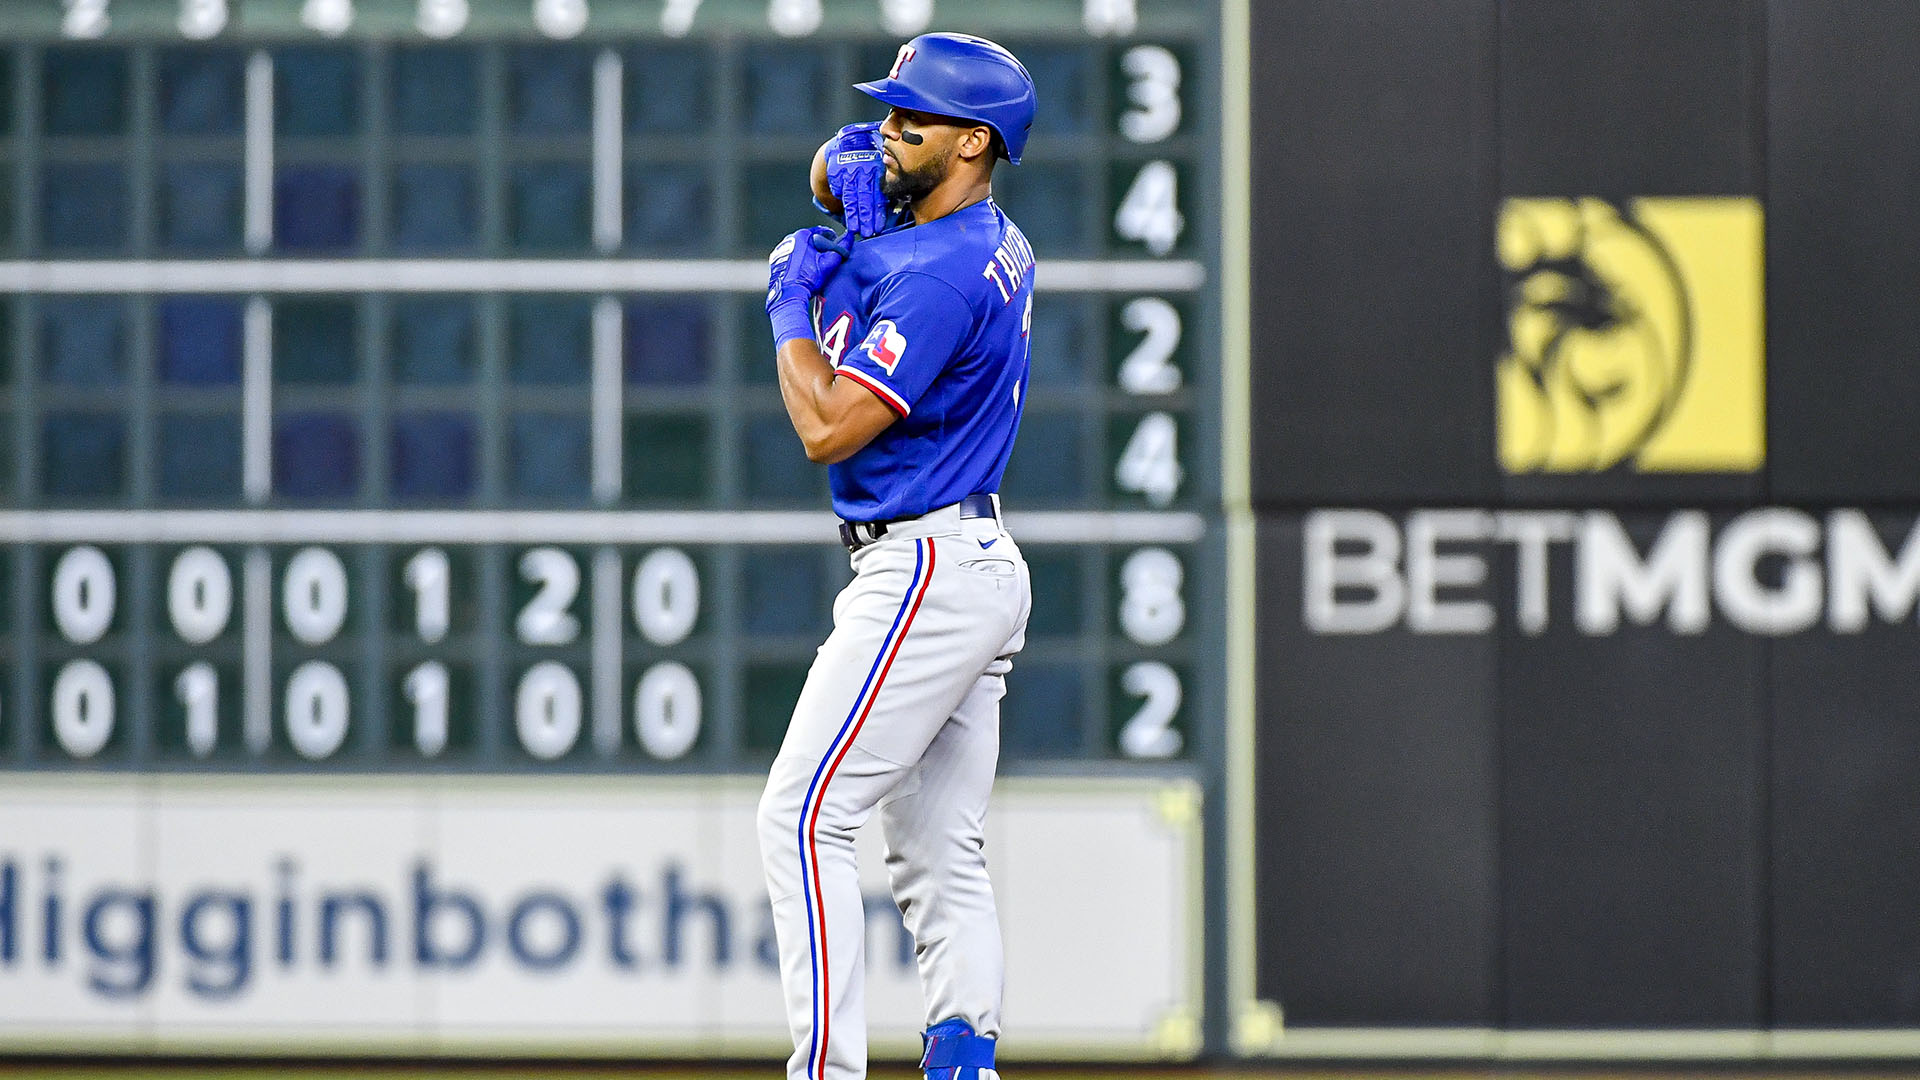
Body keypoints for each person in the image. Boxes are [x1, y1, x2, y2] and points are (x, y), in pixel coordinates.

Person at [754, 32, 1039, 1080]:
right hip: (976, 559)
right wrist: (860, 193)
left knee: (802, 816)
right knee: (936, 852)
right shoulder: (987, 233)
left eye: (912, 118)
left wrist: (796, 307)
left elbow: (828, 429)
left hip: (921, 566)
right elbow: (839, 163)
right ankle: (965, 1058)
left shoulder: (938, 278)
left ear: (972, 141)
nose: (888, 128)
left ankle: (824, 1073)